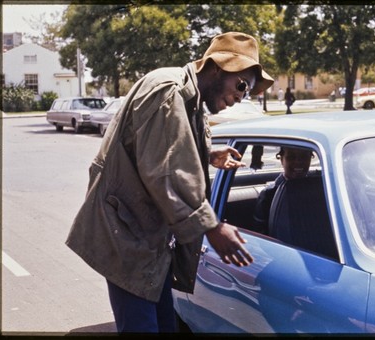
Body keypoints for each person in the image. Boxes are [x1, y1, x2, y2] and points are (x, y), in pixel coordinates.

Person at [65, 32, 274, 333]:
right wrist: (212, 227)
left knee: (166, 327)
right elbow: (166, 171)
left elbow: (164, 147)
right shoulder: (168, 91)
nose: (242, 96)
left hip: (150, 240)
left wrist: (209, 153)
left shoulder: (190, 98)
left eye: (249, 92)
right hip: (128, 238)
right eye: (241, 85)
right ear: (217, 67)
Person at [253, 146, 313, 234]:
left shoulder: (320, 190)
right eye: (291, 157)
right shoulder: (269, 195)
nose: (298, 161)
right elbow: (260, 234)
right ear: (281, 159)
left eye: (304, 157)